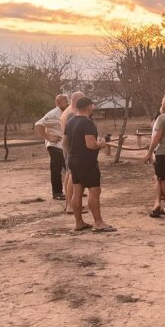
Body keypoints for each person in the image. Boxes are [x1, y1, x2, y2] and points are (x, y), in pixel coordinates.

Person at [62, 97, 115, 232]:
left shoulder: (71, 121)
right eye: (92, 105)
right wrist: (101, 144)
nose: (93, 107)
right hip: (87, 162)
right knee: (94, 190)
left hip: (73, 160)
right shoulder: (88, 123)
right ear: (88, 106)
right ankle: (98, 222)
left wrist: (72, 153)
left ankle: (79, 222)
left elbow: (65, 142)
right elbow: (90, 144)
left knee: (77, 191)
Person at [34, 94, 70, 200]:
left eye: (67, 100)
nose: (66, 103)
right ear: (58, 103)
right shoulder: (53, 114)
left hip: (64, 145)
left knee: (69, 168)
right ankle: (57, 193)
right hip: (54, 146)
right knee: (56, 169)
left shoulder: (67, 112)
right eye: (64, 101)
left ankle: (72, 190)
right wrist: (47, 137)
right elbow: (38, 124)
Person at [60, 91, 85, 212]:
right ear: (76, 99)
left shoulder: (69, 111)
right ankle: (71, 205)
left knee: (68, 174)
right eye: (83, 98)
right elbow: (69, 134)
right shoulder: (71, 113)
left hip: (69, 147)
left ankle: (69, 204)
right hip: (71, 148)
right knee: (71, 175)